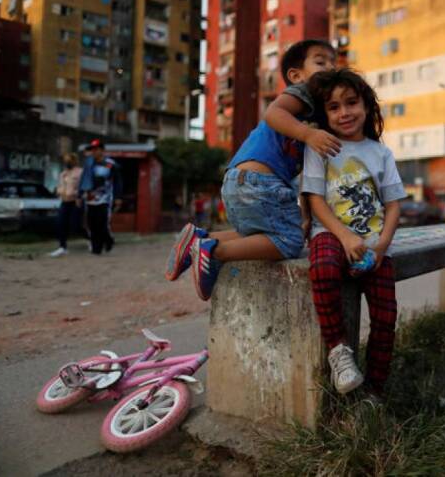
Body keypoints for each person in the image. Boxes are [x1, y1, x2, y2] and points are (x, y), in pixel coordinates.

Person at [165, 39, 342, 300]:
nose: (330, 67)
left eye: (333, 62)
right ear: (296, 74)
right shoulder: (304, 92)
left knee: (259, 236)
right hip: (261, 180)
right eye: (320, 61)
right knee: (289, 242)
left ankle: (200, 238)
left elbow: (308, 177)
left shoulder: (316, 119)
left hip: (239, 180)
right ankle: (213, 251)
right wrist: (307, 134)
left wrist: (305, 216)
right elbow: (273, 113)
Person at [303, 69, 406, 396]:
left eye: (351, 103)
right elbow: (315, 200)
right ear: (325, 114)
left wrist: (381, 246)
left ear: (366, 106)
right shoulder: (321, 147)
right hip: (329, 233)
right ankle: (338, 351)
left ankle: (374, 392)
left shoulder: (380, 152)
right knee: (321, 270)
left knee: (386, 318)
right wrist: (344, 236)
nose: (344, 112)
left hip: (374, 244)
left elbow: (392, 205)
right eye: (334, 107)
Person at [79, 139, 122, 255]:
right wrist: (79, 195)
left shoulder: (110, 164)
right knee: (92, 224)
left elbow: (117, 182)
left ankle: (107, 241)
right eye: (92, 149)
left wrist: (118, 197)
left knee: (102, 224)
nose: (94, 152)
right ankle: (96, 248)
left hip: (105, 199)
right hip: (90, 199)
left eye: (96, 149)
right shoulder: (89, 164)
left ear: (102, 151)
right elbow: (83, 180)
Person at [49, 153, 83, 257]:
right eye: (65, 160)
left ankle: (91, 239)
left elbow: (83, 187)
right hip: (64, 202)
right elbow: (60, 186)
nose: (66, 162)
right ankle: (62, 247)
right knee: (60, 223)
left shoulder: (80, 172)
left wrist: (77, 195)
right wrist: (59, 192)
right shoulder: (63, 174)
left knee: (76, 225)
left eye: (68, 160)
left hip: (76, 201)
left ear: (74, 161)